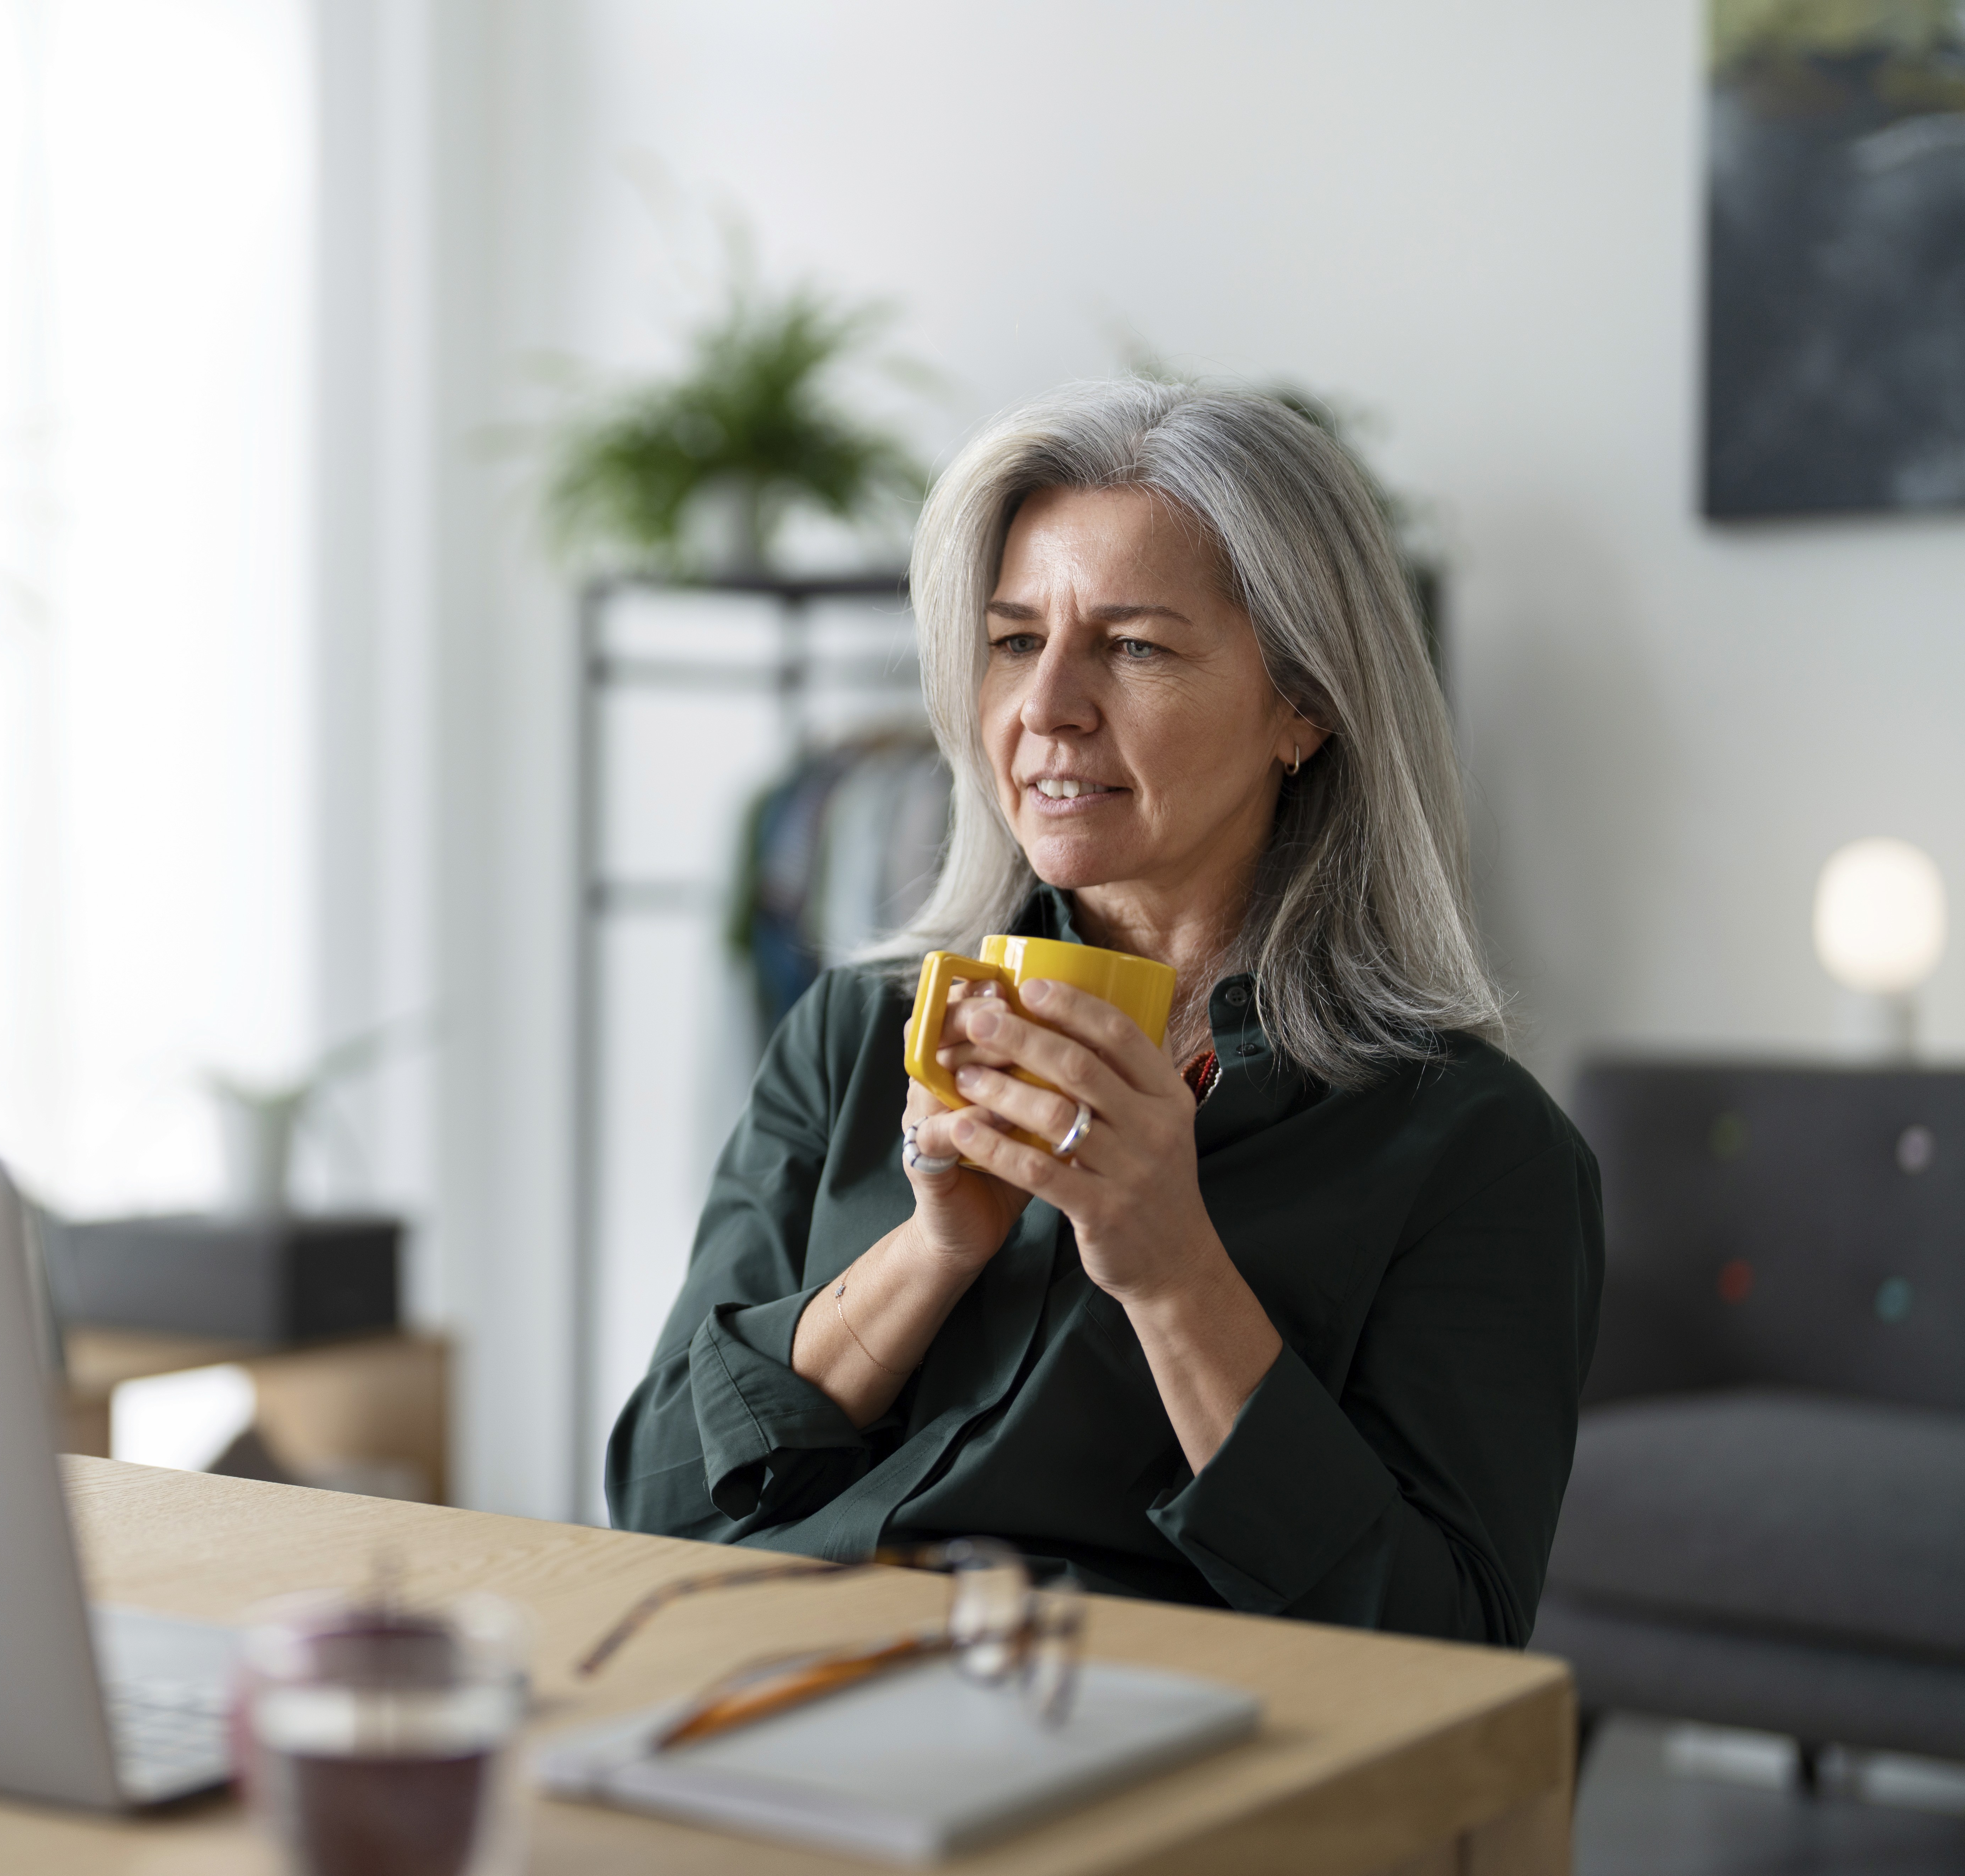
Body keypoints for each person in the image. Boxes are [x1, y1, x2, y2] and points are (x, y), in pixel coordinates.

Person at [605, 380, 1602, 1645]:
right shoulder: (852, 1036)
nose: (1047, 708)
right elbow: (657, 1500)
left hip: (1143, 1726)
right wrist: (931, 1255)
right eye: (1016, 641)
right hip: (777, 1675)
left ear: (1304, 705)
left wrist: (1174, 1270)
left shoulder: (1476, 1147)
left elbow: (1445, 1648)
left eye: (1134, 648)